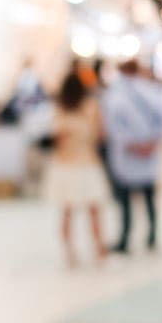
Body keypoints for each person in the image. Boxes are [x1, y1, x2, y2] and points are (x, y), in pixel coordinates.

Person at [102, 60, 162, 254]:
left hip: (132, 152)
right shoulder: (149, 90)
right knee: (148, 198)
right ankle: (150, 236)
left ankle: (128, 238)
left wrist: (139, 145)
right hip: (138, 151)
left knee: (127, 200)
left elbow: (112, 126)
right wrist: (150, 143)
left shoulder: (117, 94)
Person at [43, 72, 109, 267]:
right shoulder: (91, 109)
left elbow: (56, 139)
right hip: (87, 163)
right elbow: (100, 136)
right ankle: (98, 249)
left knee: (67, 211)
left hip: (66, 165)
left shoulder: (60, 110)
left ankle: (69, 252)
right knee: (93, 210)